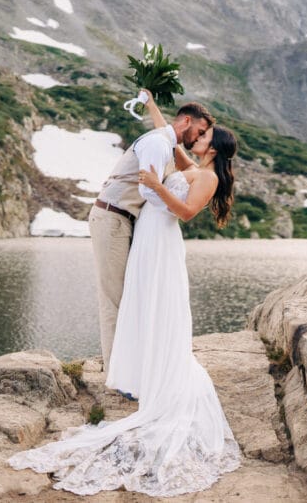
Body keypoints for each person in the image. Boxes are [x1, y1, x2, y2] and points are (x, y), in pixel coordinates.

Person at [9, 94, 242, 497]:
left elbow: (185, 213)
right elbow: (167, 137)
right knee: (141, 303)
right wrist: (154, 105)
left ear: (214, 146)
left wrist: (154, 185)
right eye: (197, 132)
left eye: (203, 137)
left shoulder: (209, 177)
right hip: (148, 233)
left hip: (161, 234)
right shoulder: (191, 164)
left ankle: (143, 374)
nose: (196, 140)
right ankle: (139, 369)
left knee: (154, 303)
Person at [86, 95, 214, 372]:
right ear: (187, 121)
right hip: (112, 217)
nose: (200, 138)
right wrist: (165, 214)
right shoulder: (157, 143)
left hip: (128, 221)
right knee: (115, 298)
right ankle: (115, 372)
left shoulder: (167, 144)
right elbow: (146, 189)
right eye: (201, 131)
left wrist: (152, 105)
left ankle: (130, 367)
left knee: (132, 296)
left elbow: (163, 178)